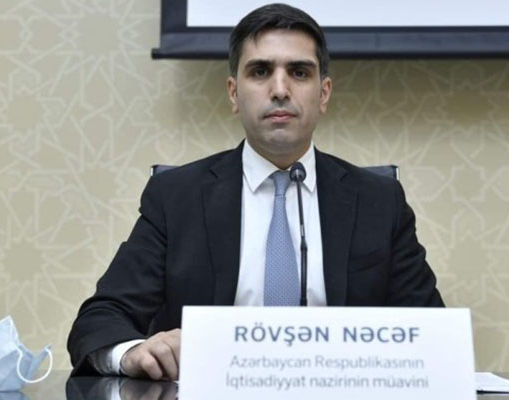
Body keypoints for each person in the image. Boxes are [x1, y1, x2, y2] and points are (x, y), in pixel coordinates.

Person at [67, 3, 444, 380]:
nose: (279, 90)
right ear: (233, 93)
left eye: (299, 72)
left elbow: (432, 336)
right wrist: (132, 353)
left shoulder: (379, 201)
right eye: (260, 71)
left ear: (324, 94)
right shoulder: (176, 197)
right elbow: (100, 320)